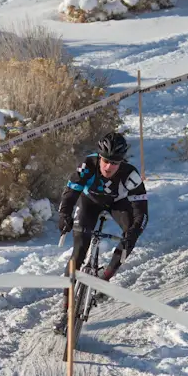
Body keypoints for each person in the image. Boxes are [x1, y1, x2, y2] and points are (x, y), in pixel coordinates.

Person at [53, 132, 148, 335]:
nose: (108, 167)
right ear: (99, 157)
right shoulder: (88, 166)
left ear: (121, 162)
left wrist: (133, 232)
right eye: (105, 161)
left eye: (114, 163)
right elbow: (70, 193)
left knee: (131, 235)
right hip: (90, 203)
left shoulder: (130, 175)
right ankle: (65, 310)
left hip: (118, 205)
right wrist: (64, 215)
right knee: (78, 252)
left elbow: (142, 212)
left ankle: (104, 280)